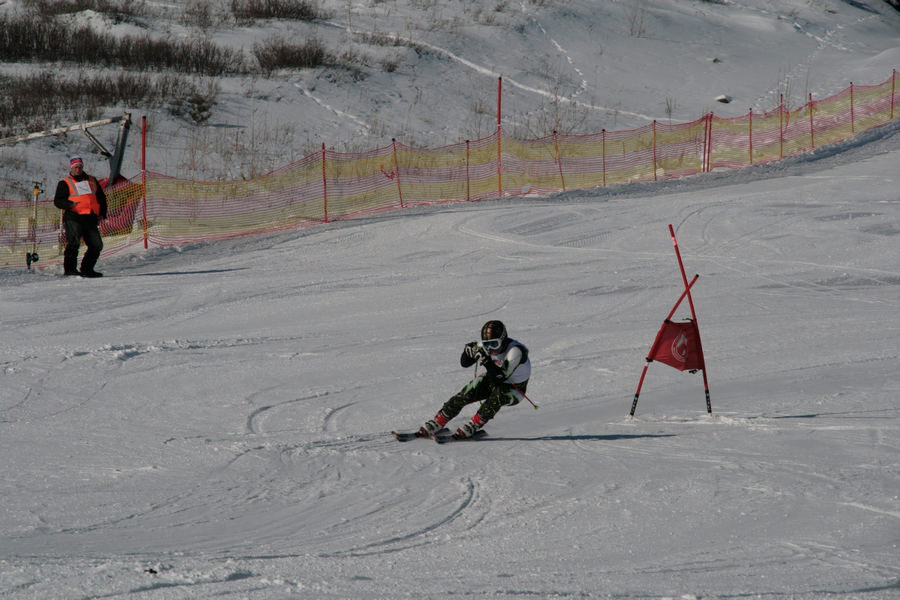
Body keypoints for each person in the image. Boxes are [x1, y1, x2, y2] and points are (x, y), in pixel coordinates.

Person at [419, 320, 531, 439]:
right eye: (487, 345)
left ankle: (473, 425)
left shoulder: (516, 351)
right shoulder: (485, 347)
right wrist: (468, 352)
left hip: (514, 388)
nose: (490, 348)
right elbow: (464, 363)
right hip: (492, 378)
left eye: (494, 344)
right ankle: (438, 422)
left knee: (496, 397)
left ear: (503, 340)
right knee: (467, 393)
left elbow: (500, 377)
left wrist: (485, 360)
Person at [53, 156, 108, 277]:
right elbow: (58, 201)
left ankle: (87, 269)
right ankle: (70, 270)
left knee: (97, 245)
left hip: (90, 218)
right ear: (71, 168)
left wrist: (102, 213)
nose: (78, 169)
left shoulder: (92, 180)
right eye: (75, 167)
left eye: (80, 167)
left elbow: (101, 198)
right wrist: (69, 205)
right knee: (73, 243)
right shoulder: (65, 183)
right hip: (74, 217)